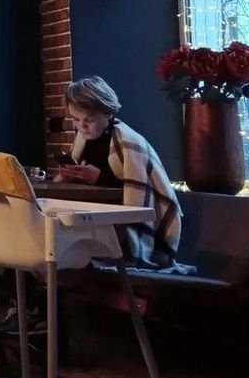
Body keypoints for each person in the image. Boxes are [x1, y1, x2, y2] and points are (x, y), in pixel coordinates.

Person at [61, 76, 191, 271]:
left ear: (108, 113)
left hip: (119, 226)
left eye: (89, 120)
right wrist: (71, 176)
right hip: (93, 219)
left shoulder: (129, 142)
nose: (82, 126)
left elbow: (139, 190)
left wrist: (99, 178)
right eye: (76, 120)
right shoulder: (82, 141)